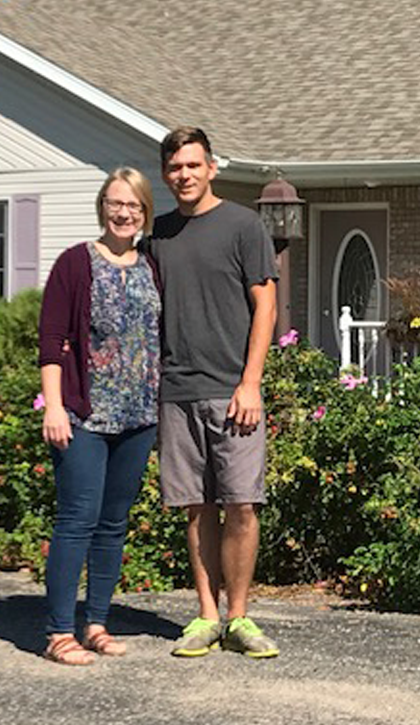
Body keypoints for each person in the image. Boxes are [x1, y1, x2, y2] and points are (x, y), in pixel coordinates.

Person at [148, 126, 280, 659]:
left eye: (193, 165)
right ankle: (206, 615)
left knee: (242, 504)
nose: (185, 175)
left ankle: (240, 618)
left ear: (212, 168)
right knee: (197, 508)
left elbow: (266, 307)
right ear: (165, 173)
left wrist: (251, 382)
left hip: (232, 390)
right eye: (175, 167)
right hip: (177, 390)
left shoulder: (244, 226)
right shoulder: (157, 235)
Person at [37, 167, 160, 666]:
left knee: (113, 524)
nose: (124, 212)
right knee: (76, 521)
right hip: (84, 416)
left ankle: (96, 624)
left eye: (133, 205)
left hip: (139, 415)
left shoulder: (152, 265)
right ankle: (58, 632)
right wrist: (55, 406)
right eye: (115, 203)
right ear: (102, 206)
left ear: (145, 212)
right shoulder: (75, 263)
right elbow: (51, 338)